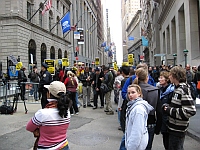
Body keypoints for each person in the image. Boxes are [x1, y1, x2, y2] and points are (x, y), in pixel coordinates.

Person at [26, 81, 71, 150]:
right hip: (64, 146)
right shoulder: (66, 111)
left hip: (46, 148)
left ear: (49, 93)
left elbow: (29, 127)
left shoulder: (43, 113)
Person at [162, 66, 196, 150]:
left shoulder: (182, 89)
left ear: (175, 76)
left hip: (178, 128)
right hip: (174, 127)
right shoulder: (177, 89)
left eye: (170, 75)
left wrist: (169, 110)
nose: (169, 77)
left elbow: (190, 110)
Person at [133, 68, 162, 150]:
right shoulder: (155, 90)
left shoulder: (132, 90)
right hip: (150, 121)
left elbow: (126, 108)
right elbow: (159, 111)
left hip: (135, 121)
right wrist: (158, 127)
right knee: (147, 147)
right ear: (147, 78)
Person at [125, 84, 154, 150]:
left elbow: (137, 131)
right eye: (129, 93)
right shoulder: (132, 106)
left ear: (139, 94)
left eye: (133, 92)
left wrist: (131, 147)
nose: (130, 95)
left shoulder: (138, 109)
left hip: (137, 145)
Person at [158, 71, 174, 150]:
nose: (159, 79)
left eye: (161, 78)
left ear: (167, 79)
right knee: (165, 140)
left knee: (170, 143)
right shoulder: (160, 90)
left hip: (169, 120)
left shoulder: (171, 91)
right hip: (163, 119)